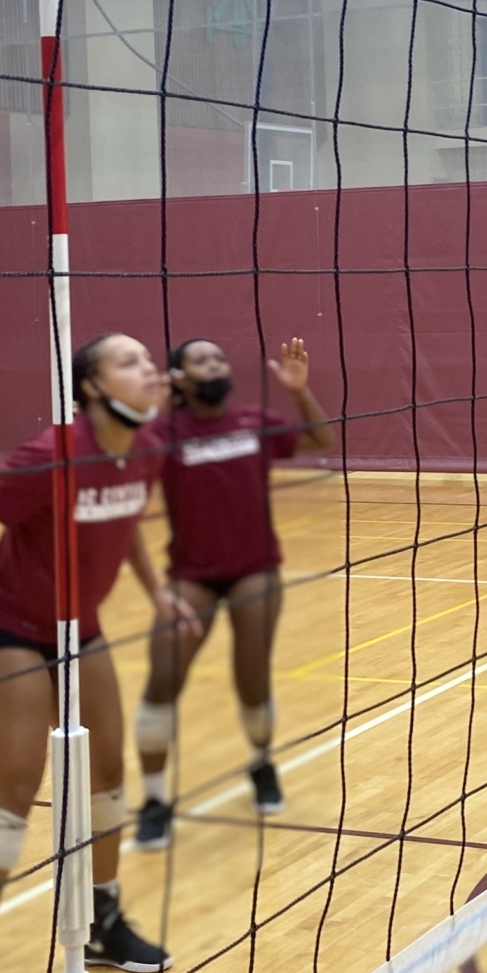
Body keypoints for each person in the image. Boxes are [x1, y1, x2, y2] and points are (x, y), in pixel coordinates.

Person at [0, 333, 182, 973]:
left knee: (107, 774)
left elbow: (121, 516)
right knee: (12, 795)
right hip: (5, 628)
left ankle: (102, 922)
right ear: (94, 387)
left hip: (81, 628)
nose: (149, 369)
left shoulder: (147, 446)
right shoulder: (54, 453)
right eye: (129, 362)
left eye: (147, 359)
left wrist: (157, 593)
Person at [131, 335, 334, 849]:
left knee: (251, 679)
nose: (214, 364)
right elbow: (120, 466)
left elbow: (319, 441)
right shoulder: (161, 433)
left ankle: (261, 763)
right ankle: (155, 798)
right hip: (190, 576)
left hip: (255, 569)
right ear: (178, 377)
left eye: (219, 356)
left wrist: (300, 391)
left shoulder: (252, 422)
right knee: (162, 678)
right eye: (201, 359)